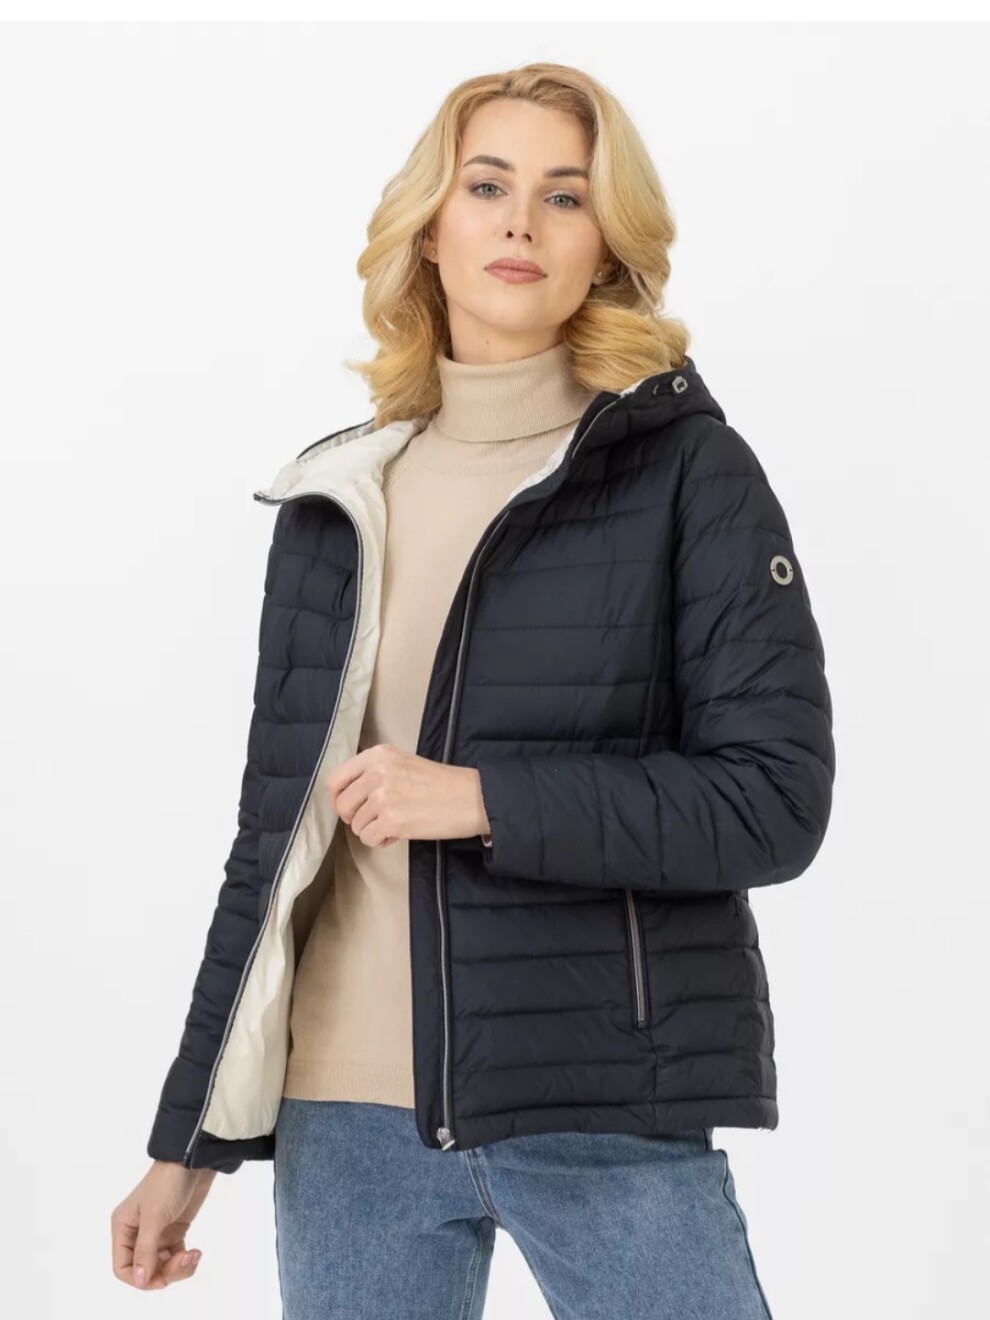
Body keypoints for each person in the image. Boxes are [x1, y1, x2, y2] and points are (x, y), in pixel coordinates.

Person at [110, 62, 834, 1318]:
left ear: (605, 247)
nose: (520, 223)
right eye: (487, 185)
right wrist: (191, 1141)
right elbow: (272, 851)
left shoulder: (690, 475)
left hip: (598, 1104)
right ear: (429, 227)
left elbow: (773, 802)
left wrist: (484, 799)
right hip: (344, 1124)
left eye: (566, 196)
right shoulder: (339, 501)